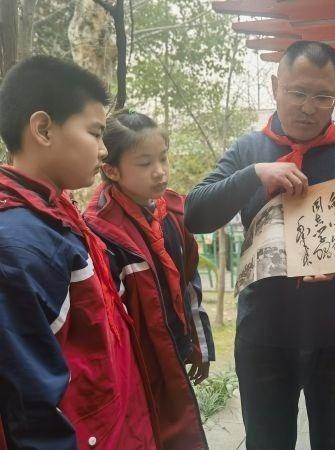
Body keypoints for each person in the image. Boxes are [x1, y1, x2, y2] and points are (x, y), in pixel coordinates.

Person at [184, 40, 335, 450]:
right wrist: (253, 175)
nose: (309, 107)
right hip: (264, 335)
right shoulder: (249, 150)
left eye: (323, 97)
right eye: (298, 93)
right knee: (267, 443)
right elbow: (195, 214)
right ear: (275, 86)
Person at [0, 56, 158, 449]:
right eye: (95, 132)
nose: (104, 150)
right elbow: (30, 406)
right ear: (43, 129)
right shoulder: (21, 244)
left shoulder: (57, 218)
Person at [83, 110, 215, 449]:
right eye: (144, 163)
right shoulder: (101, 232)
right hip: (137, 366)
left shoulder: (172, 215)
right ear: (111, 170)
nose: (160, 171)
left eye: (163, 158)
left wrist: (198, 343)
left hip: (173, 350)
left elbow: (189, 283)